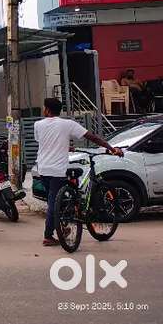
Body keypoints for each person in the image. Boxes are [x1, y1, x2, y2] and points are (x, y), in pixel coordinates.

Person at [34, 98, 122, 247]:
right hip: (57, 170)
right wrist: (112, 148)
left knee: (54, 201)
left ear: (47, 110)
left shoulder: (38, 124)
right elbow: (92, 137)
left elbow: (44, 142)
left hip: (42, 168)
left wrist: (65, 147)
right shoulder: (67, 124)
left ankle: (62, 227)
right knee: (54, 203)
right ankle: (48, 236)